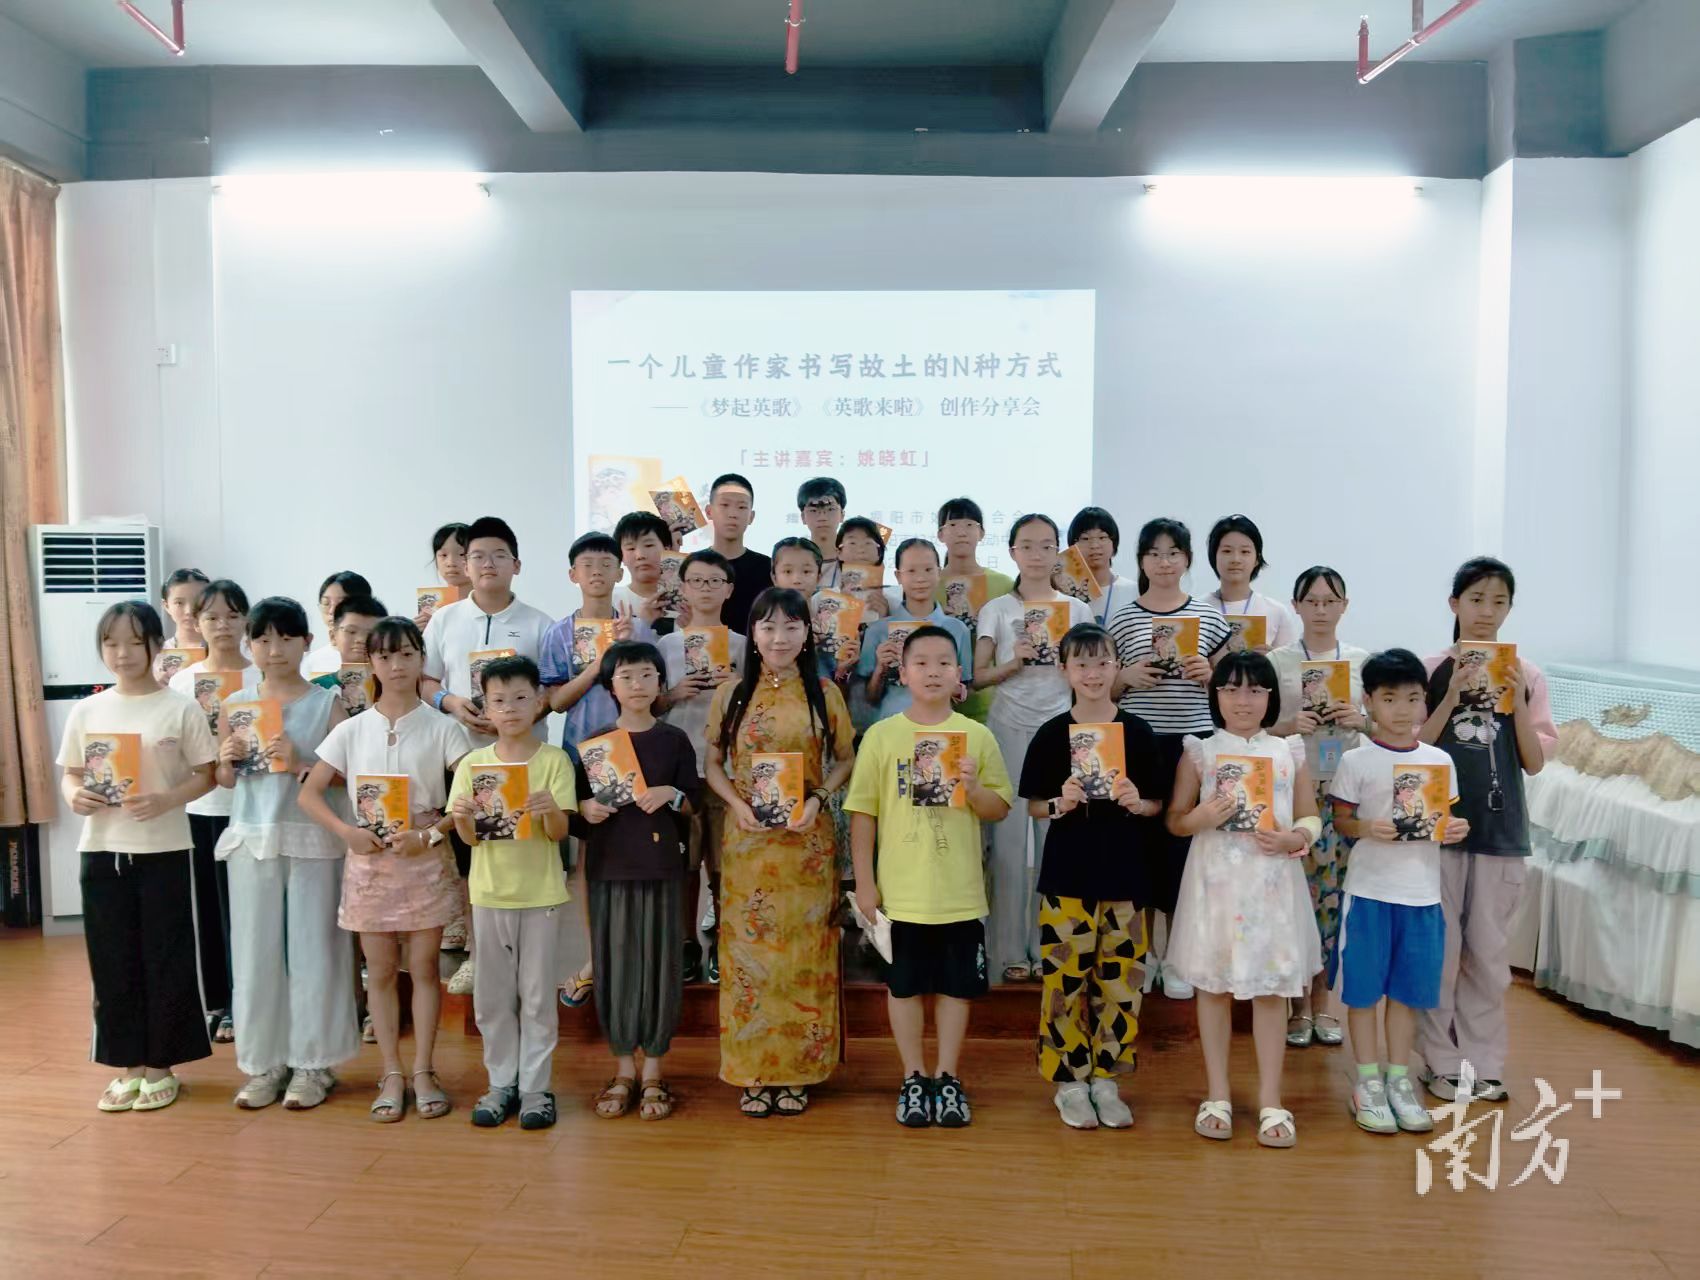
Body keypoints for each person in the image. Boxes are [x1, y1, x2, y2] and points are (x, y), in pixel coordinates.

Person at [301, 617, 472, 1122]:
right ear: (370, 663)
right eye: (385, 656)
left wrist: (431, 834)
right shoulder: (351, 729)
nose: (396, 665)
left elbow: (467, 799)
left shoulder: (445, 728)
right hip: (369, 861)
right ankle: (391, 1071)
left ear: (421, 659)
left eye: (406, 654)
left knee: (424, 969)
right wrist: (347, 832)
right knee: (378, 971)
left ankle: (424, 1069)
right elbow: (310, 794)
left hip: (424, 858)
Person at [847, 625, 1013, 1128]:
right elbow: (862, 814)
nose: (933, 671)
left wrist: (973, 787)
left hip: (959, 891)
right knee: (904, 987)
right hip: (901, 893)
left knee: (956, 988)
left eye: (944, 662)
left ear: (959, 673)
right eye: (921, 662)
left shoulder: (977, 736)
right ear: (903, 672)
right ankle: (913, 1076)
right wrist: (865, 884)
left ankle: (947, 1076)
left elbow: (999, 808)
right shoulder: (882, 735)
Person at [58, 601, 218, 1113]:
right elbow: (71, 774)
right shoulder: (87, 710)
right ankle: (128, 1067)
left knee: (166, 957)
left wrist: (167, 799)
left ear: (154, 645)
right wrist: (74, 796)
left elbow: (207, 774)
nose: (122, 653)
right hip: (102, 850)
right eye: (111, 643)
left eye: (133, 642)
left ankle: (161, 1066)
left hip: (163, 850)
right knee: (111, 960)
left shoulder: (180, 707)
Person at [705, 587, 854, 1117]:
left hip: (806, 846)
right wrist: (734, 804)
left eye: (791, 626)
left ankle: (799, 1071)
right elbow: (712, 763)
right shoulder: (731, 694)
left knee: (803, 957)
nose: (779, 638)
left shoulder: (824, 693)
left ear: (808, 633)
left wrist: (819, 799)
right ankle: (752, 1072)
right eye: (768, 627)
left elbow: (845, 759)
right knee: (749, 960)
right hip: (747, 844)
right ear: (753, 634)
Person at [1164, 652, 1321, 1148]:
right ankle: (1218, 1095)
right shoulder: (1201, 751)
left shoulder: (1288, 750)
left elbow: (1310, 815)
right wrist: (1201, 818)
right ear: (1216, 696)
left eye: (1255, 690)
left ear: (1271, 697)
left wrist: (1296, 837)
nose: (1243, 700)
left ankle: (1272, 1099)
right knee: (1213, 988)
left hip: (1271, 884)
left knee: (1272, 989)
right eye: (1231, 689)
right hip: (1215, 883)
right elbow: (1175, 820)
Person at [1417, 557, 1556, 1104]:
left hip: (1501, 831)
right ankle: (1439, 1061)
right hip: (1440, 829)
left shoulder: (1528, 674)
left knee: (1489, 955)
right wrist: (1451, 695)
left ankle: (1484, 1063)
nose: (1486, 612)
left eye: (1499, 602)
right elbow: (1413, 749)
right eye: (1476, 599)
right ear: (1454, 604)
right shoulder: (1431, 668)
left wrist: (1517, 703)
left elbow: (1534, 762)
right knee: (1441, 951)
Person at [1018, 623, 1165, 1129]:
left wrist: (1139, 802)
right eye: (1081, 663)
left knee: (1121, 985)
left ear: (1116, 666)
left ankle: (1107, 1080)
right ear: (1064, 670)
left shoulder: (1138, 733)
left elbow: (1158, 804)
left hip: (1127, 877)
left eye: (1102, 662)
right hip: (1067, 878)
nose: (1093, 673)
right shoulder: (1050, 734)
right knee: (1063, 984)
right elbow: (1034, 806)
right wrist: (1059, 803)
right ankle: (1068, 1083)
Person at [215, 596, 357, 1111]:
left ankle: (314, 1064)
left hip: (312, 839)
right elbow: (226, 780)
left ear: (306, 642)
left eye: (285, 638)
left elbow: (346, 779)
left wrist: (301, 762)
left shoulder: (327, 704)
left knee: (315, 951)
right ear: (249, 645)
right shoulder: (236, 705)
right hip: (252, 838)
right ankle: (264, 1063)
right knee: (254, 953)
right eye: (262, 639)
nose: (273, 649)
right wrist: (226, 759)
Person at [1329, 648, 1471, 1134]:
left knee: (1407, 995)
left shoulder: (1440, 761)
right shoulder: (1356, 760)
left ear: (1425, 702)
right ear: (1368, 701)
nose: (1402, 710)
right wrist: (1367, 827)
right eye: (1389, 699)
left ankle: (1398, 1080)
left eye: (1412, 698)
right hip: (1368, 893)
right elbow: (1341, 821)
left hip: (1421, 896)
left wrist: (1455, 829)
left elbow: (1444, 820)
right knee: (1363, 993)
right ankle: (1367, 1082)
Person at [423, 516, 556, 992]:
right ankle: (477, 955)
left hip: (523, 758)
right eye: (477, 555)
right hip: (462, 756)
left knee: (524, 851)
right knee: (469, 856)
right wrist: (451, 703)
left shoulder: (539, 624)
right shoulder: (444, 620)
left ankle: (528, 957)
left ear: (516, 565)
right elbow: (426, 681)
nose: (487, 564)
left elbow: (551, 691)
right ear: (465, 565)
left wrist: (513, 717)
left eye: (499, 555)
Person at [572, 643, 701, 1123]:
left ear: (660, 682)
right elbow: (574, 809)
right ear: (611, 687)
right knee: (616, 966)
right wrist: (585, 808)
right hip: (609, 866)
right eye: (626, 676)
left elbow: (695, 804)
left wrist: (672, 793)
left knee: (661, 966)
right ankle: (624, 1068)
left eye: (647, 674)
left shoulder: (674, 740)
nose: (638, 684)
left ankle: (654, 1071)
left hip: (662, 866)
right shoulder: (596, 742)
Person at [1107, 517, 1233, 1000]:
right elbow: (1101, 688)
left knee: (1184, 851)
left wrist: (1210, 675)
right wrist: (1125, 678)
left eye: (1173, 553)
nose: (1164, 562)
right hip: (1139, 743)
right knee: (1139, 849)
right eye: (1154, 553)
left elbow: (1233, 691)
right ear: (1141, 561)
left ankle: (1178, 957)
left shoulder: (1209, 617)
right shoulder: (1123, 619)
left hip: (1193, 744)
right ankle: (1144, 955)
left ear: (1187, 560)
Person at [447, 656, 575, 1130]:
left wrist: (548, 811)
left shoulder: (554, 760)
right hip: (489, 894)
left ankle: (537, 1088)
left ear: (539, 702)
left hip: (540, 894)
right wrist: (463, 817)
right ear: (486, 707)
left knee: (538, 996)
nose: (511, 708)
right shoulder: (473, 765)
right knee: (493, 996)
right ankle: (501, 1082)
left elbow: (560, 833)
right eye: (499, 700)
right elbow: (470, 840)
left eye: (521, 698)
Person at [972, 513, 1093, 982]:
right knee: (1006, 845)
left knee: (1053, 842)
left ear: (1057, 551)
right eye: (1027, 545)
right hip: (1007, 725)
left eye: (1046, 545)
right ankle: (1007, 952)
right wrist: (1014, 661)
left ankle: (1048, 949)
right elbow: (978, 676)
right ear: (1013, 552)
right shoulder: (997, 609)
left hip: (1061, 731)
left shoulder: (1076, 611)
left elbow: (1091, 673)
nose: (1037, 554)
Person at [540, 531, 653, 1005]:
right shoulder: (558, 634)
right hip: (583, 755)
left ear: (619, 571)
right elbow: (554, 702)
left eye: (606, 563)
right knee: (590, 862)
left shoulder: (639, 628)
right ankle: (594, 959)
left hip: (637, 752)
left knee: (637, 855)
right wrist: (599, 665)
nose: (597, 572)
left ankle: (636, 958)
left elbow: (657, 698)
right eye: (587, 565)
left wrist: (628, 651)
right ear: (573, 574)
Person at [1266, 565, 1371, 1049]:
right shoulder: (1277, 662)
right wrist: (1291, 725)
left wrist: (1360, 720)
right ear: (1296, 606)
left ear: (1344, 606)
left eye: (1331, 601)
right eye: (1312, 601)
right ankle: (1296, 1005)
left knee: (1335, 899)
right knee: (1294, 898)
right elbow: (1256, 727)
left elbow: (1385, 727)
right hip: (1293, 791)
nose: (1321, 610)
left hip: (1346, 793)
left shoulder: (1362, 662)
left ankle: (1325, 1004)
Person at [167, 579, 258, 1045]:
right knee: (208, 910)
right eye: (212, 617)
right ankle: (219, 1002)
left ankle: (250, 1001)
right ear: (197, 623)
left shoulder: (261, 674)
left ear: (246, 621)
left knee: (247, 911)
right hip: (202, 807)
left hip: (253, 807)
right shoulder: (183, 681)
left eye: (232, 615)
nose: (223, 625)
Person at [657, 550, 745, 984]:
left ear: (729, 590)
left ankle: (726, 942)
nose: (706, 589)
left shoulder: (744, 645)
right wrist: (674, 694)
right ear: (684, 589)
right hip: (679, 768)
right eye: (697, 581)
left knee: (724, 861)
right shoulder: (666, 646)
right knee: (685, 863)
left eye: (715, 581)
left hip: (726, 769)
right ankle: (687, 943)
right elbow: (650, 705)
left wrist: (734, 691)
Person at [858, 537, 973, 724]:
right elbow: (869, 698)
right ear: (898, 576)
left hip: (939, 727)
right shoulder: (878, 631)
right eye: (911, 571)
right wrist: (880, 669)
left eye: (928, 570)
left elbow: (964, 691)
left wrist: (952, 687)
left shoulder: (957, 629)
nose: (920, 578)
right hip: (891, 724)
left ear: (939, 572)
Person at [936, 498, 1016, 724]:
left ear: (981, 533)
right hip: (937, 700)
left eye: (970, 525)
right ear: (940, 534)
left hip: (993, 700)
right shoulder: (926, 583)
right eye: (953, 525)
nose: (962, 532)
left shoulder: (1004, 584)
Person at [1204, 515, 1301, 652]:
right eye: (1227, 551)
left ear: (1257, 559)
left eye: (1245, 552)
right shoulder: (1198, 610)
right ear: (1214, 556)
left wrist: (1272, 660)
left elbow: (1291, 663)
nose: (1236, 559)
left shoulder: (1276, 612)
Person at [705, 473, 771, 630]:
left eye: (741, 507)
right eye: (724, 505)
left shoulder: (768, 568)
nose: (732, 514)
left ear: (751, 516)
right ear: (709, 511)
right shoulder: (693, 565)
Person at [311, 595, 386, 717]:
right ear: (333, 636)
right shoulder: (316, 689)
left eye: (371, 633)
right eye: (351, 631)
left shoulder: (394, 685)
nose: (361, 639)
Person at [1067, 507, 1138, 625]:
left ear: (1114, 543)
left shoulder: (1133, 591)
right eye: (1085, 538)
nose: (1095, 545)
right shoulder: (1064, 593)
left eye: (1102, 537)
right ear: (1073, 546)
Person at [612, 510, 679, 634]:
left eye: (648, 545)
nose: (640, 555)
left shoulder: (687, 600)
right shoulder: (613, 601)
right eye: (631, 548)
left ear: (667, 548)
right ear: (621, 557)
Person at [306, 571, 373, 678]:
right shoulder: (312, 661)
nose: (332, 611)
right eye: (326, 603)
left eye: (342, 604)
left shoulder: (383, 657)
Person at [154, 567, 211, 682]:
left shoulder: (226, 648)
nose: (189, 611)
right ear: (166, 606)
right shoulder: (156, 654)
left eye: (197, 601)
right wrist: (152, 684)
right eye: (179, 603)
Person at [414, 522, 472, 629]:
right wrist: (416, 633)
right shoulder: (430, 604)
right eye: (443, 555)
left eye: (461, 554)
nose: (450, 562)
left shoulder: (490, 604)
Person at [796, 477, 847, 588]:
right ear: (803, 517)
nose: (822, 517)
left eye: (830, 509)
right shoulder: (793, 560)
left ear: (842, 515)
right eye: (813, 511)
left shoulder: (854, 560)